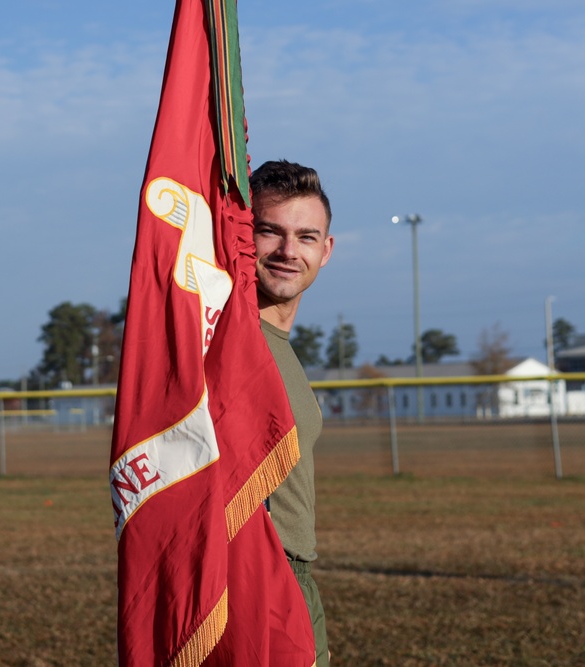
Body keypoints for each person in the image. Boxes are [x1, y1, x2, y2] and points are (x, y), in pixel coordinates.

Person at [251, 159, 334, 667]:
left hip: (297, 580)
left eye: (306, 236)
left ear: (326, 252)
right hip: (255, 581)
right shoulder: (228, 345)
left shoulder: (279, 345)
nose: (288, 251)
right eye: (269, 232)